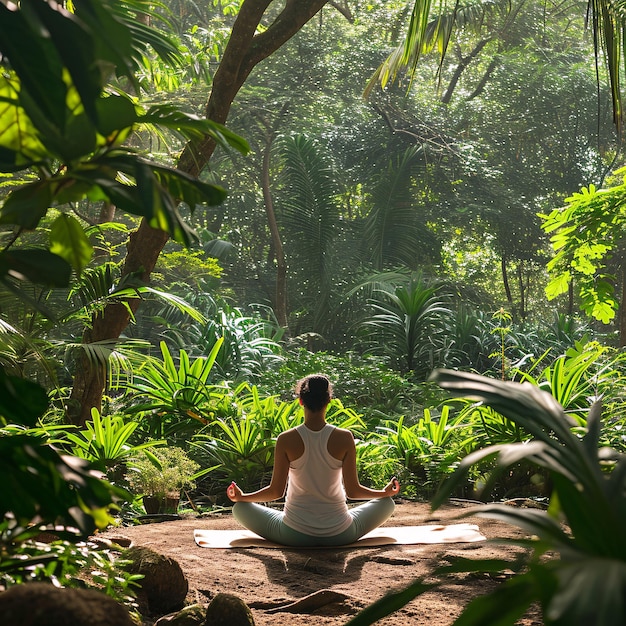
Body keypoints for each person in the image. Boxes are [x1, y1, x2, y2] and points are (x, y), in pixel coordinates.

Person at [226, 374, 400, 546]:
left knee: (240, 508)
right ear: (329, 400)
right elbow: (353, 492)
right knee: (387, 503)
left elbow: (276, 492)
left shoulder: (286, 439)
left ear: (301, 401)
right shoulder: (345, 438)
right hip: (340, 534)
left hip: (293, 534)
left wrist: (243, 497)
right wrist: (384, 493)